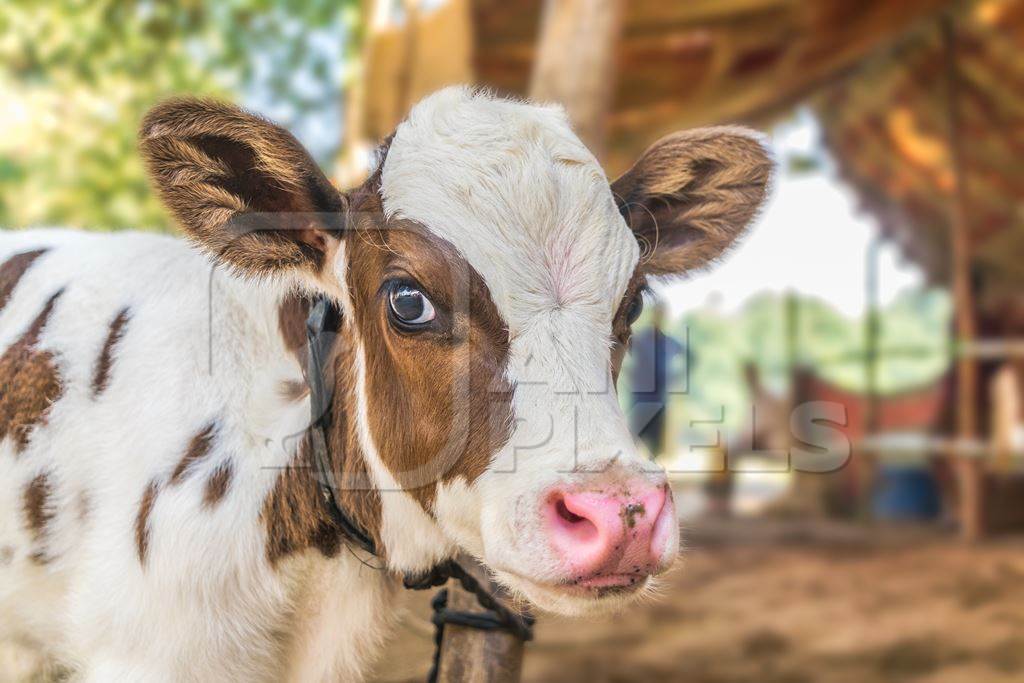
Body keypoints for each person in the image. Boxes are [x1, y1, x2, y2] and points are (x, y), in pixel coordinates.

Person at [629, 298, 686, 460]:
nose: (659, 317)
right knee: (633, 442)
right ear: (652, 316)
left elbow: (690, 357)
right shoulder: (640, 340)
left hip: (659, 402)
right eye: (657, 313)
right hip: (640, 401)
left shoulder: (669, 342)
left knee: (654, 449)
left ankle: (652, 475)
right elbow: (623, 347)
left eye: (662, 314)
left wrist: (677, 377)